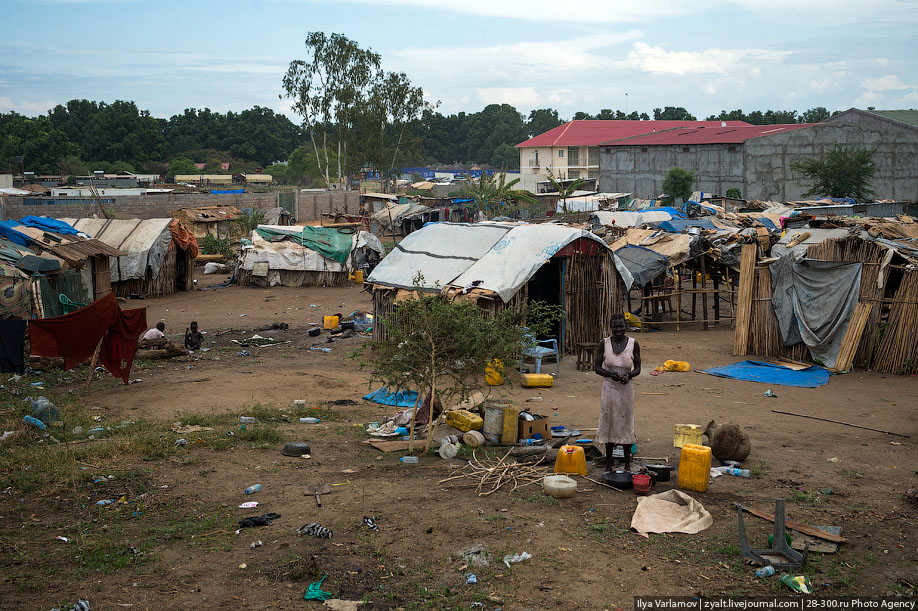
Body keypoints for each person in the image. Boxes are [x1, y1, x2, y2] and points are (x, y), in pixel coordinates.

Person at [594, 313, 642, 473]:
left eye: (621, 326)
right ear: (611, 328)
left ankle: (627, 465)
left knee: (626, 423)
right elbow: (597, 367)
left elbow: (638, 368)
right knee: (609, 422)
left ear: (625, 326)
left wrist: (629, 375)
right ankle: (609, 463)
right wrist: (611, 374)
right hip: (609, 389)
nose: (619, 329)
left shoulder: (634, 344)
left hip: (626, 390)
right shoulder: (604, 343)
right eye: (615, 327)